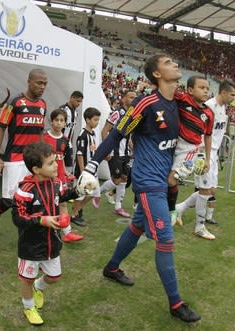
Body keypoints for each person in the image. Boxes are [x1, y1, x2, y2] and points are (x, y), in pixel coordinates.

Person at [79, 54, 201, 322]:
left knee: (136, 227)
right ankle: (176, 303)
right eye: (169, 62)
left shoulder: (180, 103)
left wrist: (191, 161)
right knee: (165, 239)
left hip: (166, 181)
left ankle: (111, 268)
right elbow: (116, 134)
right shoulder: (146, 103)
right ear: (156, 74)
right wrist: (91, 166)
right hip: (149, 183)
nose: (175, 64)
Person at [12, 141, 81, 326]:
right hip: (30, 246)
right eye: (50, 163)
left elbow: (63, 195)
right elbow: (18, 218)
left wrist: (79, 190)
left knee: (54, 277)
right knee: (26, 279)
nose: (56, 165)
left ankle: (38, 287)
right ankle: (28, 307)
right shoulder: (24, 191)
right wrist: (41, 220)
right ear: (36, 169)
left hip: (52, 241)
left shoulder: (56, 183)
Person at [0, 68, 48, 236]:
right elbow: (0, 128)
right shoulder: (14, 102)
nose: (42, 87)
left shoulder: (43, 105)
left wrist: (44, 155)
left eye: (45, 84)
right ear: (29, 82)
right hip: (14, 157)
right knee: (10, 199)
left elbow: (40, 132)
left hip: (34, 158)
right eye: (39, 83)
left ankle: (28, 229)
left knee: (33, 194)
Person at [176, 79, 235, 239]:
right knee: (204, 190)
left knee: (211, 191)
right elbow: (202, 132)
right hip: (201, 152)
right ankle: (199, 226)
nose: (234, 98)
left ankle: (179, 208)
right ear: (223, 92)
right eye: (232, 94)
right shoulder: (208, 105)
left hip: (213, 153)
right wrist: (203, 155)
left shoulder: (223, 108)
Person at [166, 76, 214, 235]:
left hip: (189, 151)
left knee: (171, 180)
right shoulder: (184, 99)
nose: (206, 91)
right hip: (172, 145)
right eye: (202, 87)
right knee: (163, 179)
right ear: (191, 90)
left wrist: (207, 159)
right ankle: (169, 210)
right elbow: (167, 89)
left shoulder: (208, 113)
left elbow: (207, 136)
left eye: (207, 88)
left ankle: (172, 211)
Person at [94, 89, 137, 217]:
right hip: (115, 153)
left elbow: (127, 136)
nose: (133, 99)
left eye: (135, 97)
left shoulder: (133, 115)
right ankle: (97, 192)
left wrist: (133, 149)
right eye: (130, 97)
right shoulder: (116, 114)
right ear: (123, 99)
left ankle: (118, 207)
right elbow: (104, 131)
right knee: (116, 180)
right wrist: (107, 149)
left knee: (124, 179)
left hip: (126, 154)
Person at [43, 108, 83, 242]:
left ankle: (67, 232)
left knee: (62, 203)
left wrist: (66, 173)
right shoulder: (44, 137)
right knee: (47, 204)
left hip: (60, 177)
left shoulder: (66, 140)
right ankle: (49, 230)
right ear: (51, 121)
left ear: (65, 123)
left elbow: (61, 160)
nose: (59, 123)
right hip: (46, 177)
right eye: (56, 120)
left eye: (62, 120)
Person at [71, 107, 101, 227]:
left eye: (98, 119)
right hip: (84, 171)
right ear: (88, 120)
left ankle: (77, 210)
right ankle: (74, 215)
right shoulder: (83, 134)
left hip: (92, 170)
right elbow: (79, 154)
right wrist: (83, 171)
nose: (97, 122)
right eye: (95, 119)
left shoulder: (92, 134)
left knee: (93, 193)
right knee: (81, 194)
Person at [58, 91, 84, 172]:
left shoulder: (76, 113)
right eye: (77, 101)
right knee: (58, 167)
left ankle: (66, 183)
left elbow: (72, 130)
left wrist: (71, 143)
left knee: (68, 168)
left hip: (68, 144)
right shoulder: (63, 109)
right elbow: (57, 127)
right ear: (72, 98)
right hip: (59, 143)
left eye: (80, 101)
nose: (79, 103)